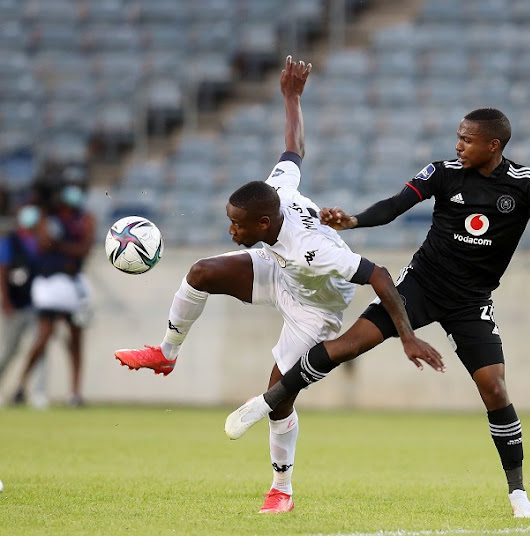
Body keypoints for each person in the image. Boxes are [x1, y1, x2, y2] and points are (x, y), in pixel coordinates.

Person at [229, 107, 530, 518]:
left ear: (493, 145)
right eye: (458, 138)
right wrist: (354, 220)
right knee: (347, 346)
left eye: (466, 140)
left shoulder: (527, 184)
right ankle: (266, 403)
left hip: (471, 301)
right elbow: (394, 206)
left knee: (495, 388)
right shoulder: (444, 173)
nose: (458, 145)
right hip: (420, 286)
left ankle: (519, 494)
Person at [113, 56, 443, 514]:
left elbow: (380, 275)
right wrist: (290, 96)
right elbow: (294, 150)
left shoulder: (313, 248)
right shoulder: (278, 194)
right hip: (275, 270)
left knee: (278, 396)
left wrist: (406, 335)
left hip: (316, 307)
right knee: (202, 271)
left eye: (237, 225)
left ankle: (281, 490)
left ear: (264, 222)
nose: (232, 231)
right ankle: (166, 354)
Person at [13, 183, 96, 407]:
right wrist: (66, 246)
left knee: (76, 338)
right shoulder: (46, 217)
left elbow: (84, 249)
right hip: (50, 282)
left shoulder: (85, 218)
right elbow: (42, 245)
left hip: (74, 284)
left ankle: (75, 394)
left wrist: (58, 245)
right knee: (44, 336)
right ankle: (21, 386)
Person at [0, 204, 48, 407]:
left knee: (40, 348)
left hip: (39, 304)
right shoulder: (10, 241)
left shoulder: (41, 241)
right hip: (17, 303)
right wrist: (6, 300)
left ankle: (37, 393)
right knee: (10, 349)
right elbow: (3, 270)